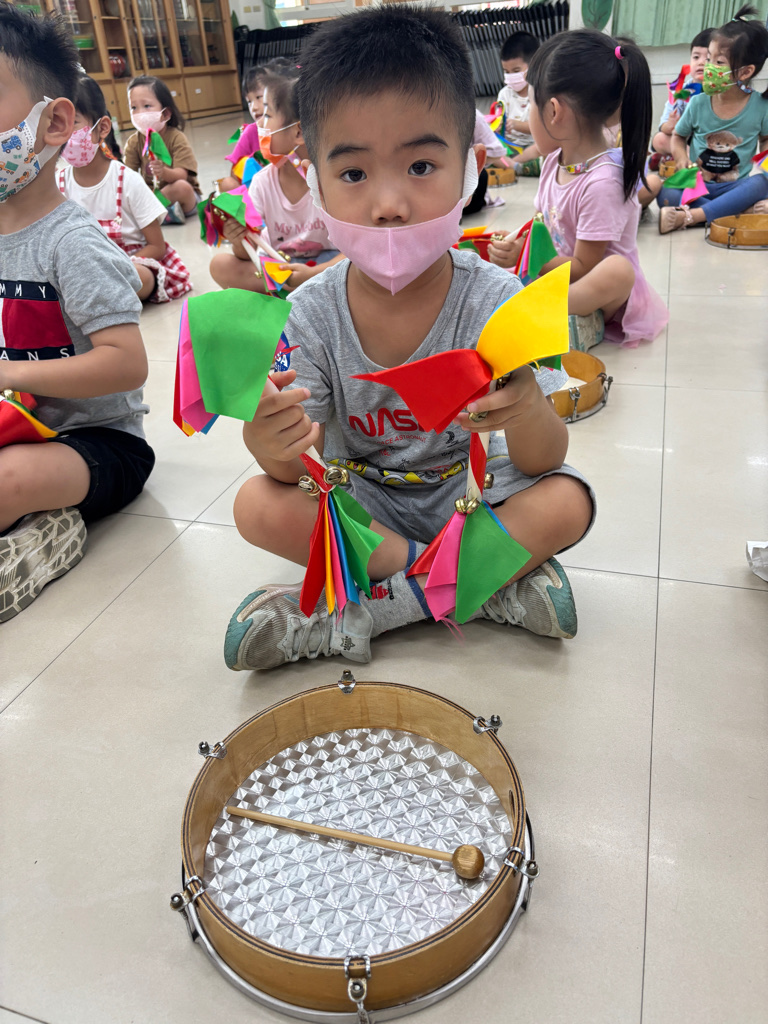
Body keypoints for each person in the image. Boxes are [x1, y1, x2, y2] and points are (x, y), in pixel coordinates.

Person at [223, 6, 595, 672]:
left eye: (421, 166)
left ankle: (379, 606)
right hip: (366, 507)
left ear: (469, 169)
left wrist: (526, 411)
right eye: (354, 174)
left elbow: (543, 460)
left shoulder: (496, 299)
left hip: (472, 495)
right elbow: (297, 470)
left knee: (566, 500)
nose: (389, 205)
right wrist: (270, 445)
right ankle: (480, 585)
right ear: (316, 183)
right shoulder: (307, 315)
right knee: (256, 504)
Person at [0, 3, 153, 621]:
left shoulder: (73, 243)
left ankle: (45, 532)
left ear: (56, 122)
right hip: (15, 424)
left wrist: (10, 373)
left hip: (96, 443)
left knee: (9, 478)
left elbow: (126, 364)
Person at [487, 31, 668, 350]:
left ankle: (564, 313)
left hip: (596, 290)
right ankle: (551, 307)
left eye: (531, 106)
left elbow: (585, 267)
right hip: (559, 273)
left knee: (618, 271)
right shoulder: (553, 161)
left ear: (554, 111)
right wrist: (518, 242)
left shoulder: (602, 182)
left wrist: (533, 260)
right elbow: (543, 223)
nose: (529, 116)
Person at [57, 76, 191, 303]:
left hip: (130, 264)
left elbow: (157, 246)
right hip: (86, 271)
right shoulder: (58, 184)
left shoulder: (127, 180)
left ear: (102, 128)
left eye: (73, 122)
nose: (63, 133)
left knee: (137, 277)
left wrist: (117, 265)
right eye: (56, 124)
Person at [210, 71, 343, 294]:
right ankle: (303, 293)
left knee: (359, 265)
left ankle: (302, 292)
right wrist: (238, 239)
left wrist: (313, 274)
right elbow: (248, 253)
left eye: (268, 115)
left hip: (329, 267)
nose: (259, 123)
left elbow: (357, 249)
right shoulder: (262, 181)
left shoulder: (332, 180)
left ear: (299, 132)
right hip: (281, 268)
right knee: (221, 265)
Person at [658, 5, 768, 233]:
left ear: (745, 72)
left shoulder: (760, 106)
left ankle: (694, 216)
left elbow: (766, 141)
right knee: (666, 194)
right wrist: (681, 158)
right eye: (709, 58)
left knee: (760, 184)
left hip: (735, 186)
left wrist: (764, 165)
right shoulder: (698, 103)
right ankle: (733, 212)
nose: (708, 67)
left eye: (719, 62)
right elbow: (678, 136)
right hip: (697, 183)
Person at [123, 75, 200, 225]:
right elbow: (128, 176)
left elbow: (182, 175)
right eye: (134, 108)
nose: (139, 113)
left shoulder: (176, 138)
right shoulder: (133, 142)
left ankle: (153, 216)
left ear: (165, 113)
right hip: (152, 195)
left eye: (147, 106)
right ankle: (161, 215)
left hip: (181, 197)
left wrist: (163, 172)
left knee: (182, 187)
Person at [219, 60, 299, 193]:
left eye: (259, 97)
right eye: (249, 101)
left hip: (286, 186)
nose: (254, 107)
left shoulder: (289, 129)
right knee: (227, 183)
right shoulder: (250, 131)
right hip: (254, 189)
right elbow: (234, 172)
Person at [650, 29, 712, 159]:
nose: (701, 62)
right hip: (684, 142)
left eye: (708, 59)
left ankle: (690, 156)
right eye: (696, 57)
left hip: (710, 144)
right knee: (658, 139)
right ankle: (687, 155)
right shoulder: (680, 92)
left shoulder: (720, 93)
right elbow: (663, 126)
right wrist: (670, 125)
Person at [496, 31, 541, 175]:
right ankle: (519, 167)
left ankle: (511, 166)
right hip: (509, 147)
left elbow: (540, 128)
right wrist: (496, 127)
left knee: (546, 149)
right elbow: (498, 120)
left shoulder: (539, 92)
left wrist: (516, 125)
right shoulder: (504, 94)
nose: (511, 76)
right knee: (486, 147)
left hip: (533, 146)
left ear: (533, 65)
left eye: (516, 71)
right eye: (506, 71)